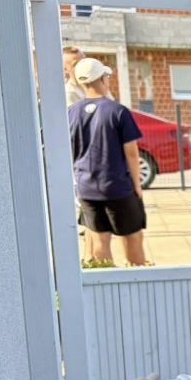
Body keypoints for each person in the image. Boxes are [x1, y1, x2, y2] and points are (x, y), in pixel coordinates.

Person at [69, 56, 148, 266]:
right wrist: (137, 186)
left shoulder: (71, 113)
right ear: (103, 79)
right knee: (133, 237)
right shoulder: (117, 111)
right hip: (117, 187)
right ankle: (138, 280)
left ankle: (105, 287)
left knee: (99, 240)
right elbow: (131, 152)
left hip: (86, 188)